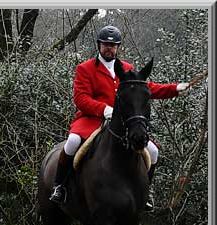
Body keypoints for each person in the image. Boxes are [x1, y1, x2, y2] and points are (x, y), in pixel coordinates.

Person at [49, 25, 191, 211]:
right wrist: (103, 109)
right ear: (99, 45)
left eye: (113, 45)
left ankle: (145, 192)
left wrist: (174, 89)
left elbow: (146, 88)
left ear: (118, 47)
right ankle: (59, 186)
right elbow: (81, 98)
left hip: (122, 123)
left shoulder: (127, 69)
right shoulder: (85, 69)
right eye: (106, 44)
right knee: (73, 142)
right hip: (91, 119)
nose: (109, 48)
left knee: (154, 151)